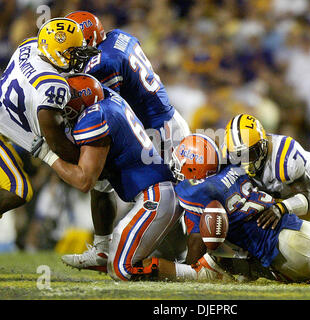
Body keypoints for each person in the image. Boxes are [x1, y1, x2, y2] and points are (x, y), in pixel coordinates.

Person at [132, 133, 310, 284]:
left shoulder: (193, 192)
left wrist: (190, 265)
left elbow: (200, 239)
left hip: (280, 250)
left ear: (194, 168)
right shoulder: (234, 168)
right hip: (295, 224)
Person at [60, 11, 190, 268]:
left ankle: (190, 259)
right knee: (100, 182)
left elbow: (103, 103)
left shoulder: (103, 63)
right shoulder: (119, 37)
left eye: (75, 45)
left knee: (177, 196)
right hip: (155, 123)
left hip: (157, 130)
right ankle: (101, 249)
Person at [33, 73, 184, 279]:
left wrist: (48, 155)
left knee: (122, 270)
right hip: (158, 192)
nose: (65, 111)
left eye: (69, 106)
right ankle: (102, 250)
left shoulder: (95, 116)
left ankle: (199, 274)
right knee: (102, 184)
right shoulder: (108, 97)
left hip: (156, 197)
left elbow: (83, 181)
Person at [0, 18, 97, 217]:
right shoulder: (54, 87)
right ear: (56, 52)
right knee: (17, 190)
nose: (78, 58)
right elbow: (58, 145)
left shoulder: (29, 46)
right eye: (73, 52)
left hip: (5, 125)